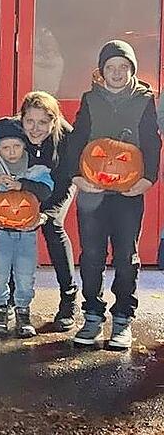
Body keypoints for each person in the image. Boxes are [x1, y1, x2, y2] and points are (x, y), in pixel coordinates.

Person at [63, 41, 160, 350]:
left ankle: (122, 319)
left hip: (129, 191)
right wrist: (76, 176)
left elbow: (151, 142)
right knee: (91, 255)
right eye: (110, 68)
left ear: (131, 69)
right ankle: (92, 314)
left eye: (122, 67)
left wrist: (147, 178)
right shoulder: (91, 99)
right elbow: (77, 139)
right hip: (93, 190)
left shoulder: (145, 101)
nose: (116, 73)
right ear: (101, 72)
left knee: (125, 256)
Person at [0, 118, 53, 338]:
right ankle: (1, 309)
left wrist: (22, 185)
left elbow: (46, 190)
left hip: (27, 234)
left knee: (24, 274)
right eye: (5, 147)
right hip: (0, 232)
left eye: (17, 146)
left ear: (24, 145)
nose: (11, 152)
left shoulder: (36, 167)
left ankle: (23, 311)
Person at [17, 91, 78, 331]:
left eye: (43, 122)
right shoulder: (13, 133)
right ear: (21, 119)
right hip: (27, 186)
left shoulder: (67, 139)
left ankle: (69, 297)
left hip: (58, 186)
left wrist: (46, 214)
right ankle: (12, 299)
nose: (35, 128)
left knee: (53, 227)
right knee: (14, 229)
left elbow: (64, 184)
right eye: (29, 121)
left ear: (54, 121)